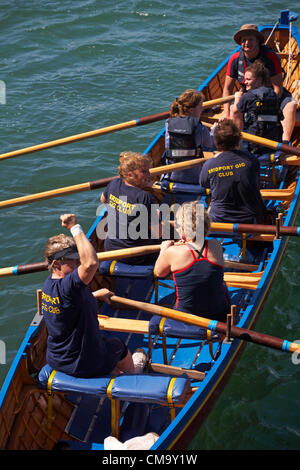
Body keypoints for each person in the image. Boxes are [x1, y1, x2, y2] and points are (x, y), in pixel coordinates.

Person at [42, 213, 146, 378]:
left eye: (78, 258)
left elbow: (68, 305)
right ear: (56, 264)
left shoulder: (48, 286)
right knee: (117, 345)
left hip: (57, 359)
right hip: (82, 364)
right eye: (73, 260)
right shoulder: (71, 285)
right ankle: (134, 375)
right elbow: (90, 263)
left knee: (102, 339)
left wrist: (94, 295)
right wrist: (74, 226)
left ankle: (112, 370)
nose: (79, 263)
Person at [154, 201, 230, 322]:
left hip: (187, 317)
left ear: (184, 230)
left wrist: (164, 250)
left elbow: (159, 273)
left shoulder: (172, 252)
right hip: (220, 314)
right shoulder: (216, 245)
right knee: (222, 284)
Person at [222, 24, 297, 143]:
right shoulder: (235, 59)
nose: (246, 43)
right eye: (243, 40)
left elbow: (278, 88)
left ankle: (284, 144)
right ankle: (236, 143)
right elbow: (227, 89)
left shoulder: (270, 57)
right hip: (248, 95)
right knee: (234, 109)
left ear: (257, 41)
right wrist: (226, 113)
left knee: (291, 106)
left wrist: (267, 105)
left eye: (250, 40)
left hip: (272, 95)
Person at [199, 119, 266, 224]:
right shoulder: (251, 160)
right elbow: (255, 183)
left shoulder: (210, 164)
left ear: (216, 142)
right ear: (238, 139)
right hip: (248, 222)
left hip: (218, 221)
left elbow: (204, 184)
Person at [100, 152, 161, 265]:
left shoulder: (114, 183)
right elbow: (158, 233)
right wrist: (157, 215)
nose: (149, 174)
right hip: (136, 255)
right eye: (144, 172)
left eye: (148, 170)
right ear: (130, 175)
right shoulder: (144, 197)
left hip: (110, 249)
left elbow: (103, 200)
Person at [161, 89, 214, 184]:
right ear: (191, 110)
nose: (202, 109)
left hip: (172, 174)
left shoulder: (168, 123)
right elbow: (210, 147)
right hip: (195, 177)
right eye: (200, 107)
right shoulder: (201, 129)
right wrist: (214, 130)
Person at [231, 61, 283, 154]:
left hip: (254, 142)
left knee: (233, 109)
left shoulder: (248, 96)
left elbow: (235, 112)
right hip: (273, 141)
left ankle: (235, 145)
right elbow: (281, 117)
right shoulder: (273, 94)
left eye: (248, 79)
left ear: (259, 80)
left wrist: (237, 98)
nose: (244, 82)